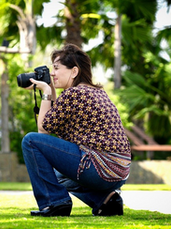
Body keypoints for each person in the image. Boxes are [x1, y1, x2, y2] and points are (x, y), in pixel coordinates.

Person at [21, 43, 131, 217]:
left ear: (74, 71)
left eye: (56, 68)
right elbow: (55, 118)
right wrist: (49, 89)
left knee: (30, 141)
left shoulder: (74, 94)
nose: (52, 73)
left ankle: (55, 203)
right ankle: (106, 200)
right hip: (119, 170)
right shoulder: (94, 92)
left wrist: (46, 92)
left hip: (99, 167)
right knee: (56, 175)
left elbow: (43, 130)